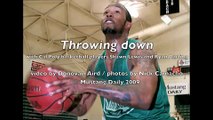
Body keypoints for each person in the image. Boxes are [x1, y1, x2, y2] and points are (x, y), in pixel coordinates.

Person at [46, 3, 175, 120]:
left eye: (117, 12)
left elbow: (143, 98)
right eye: (106, 12)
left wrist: (89, 84)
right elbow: (82, 108)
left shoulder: (140, 52)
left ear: (127, 24)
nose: (109, 13)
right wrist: (59, 99)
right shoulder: (94, 65)